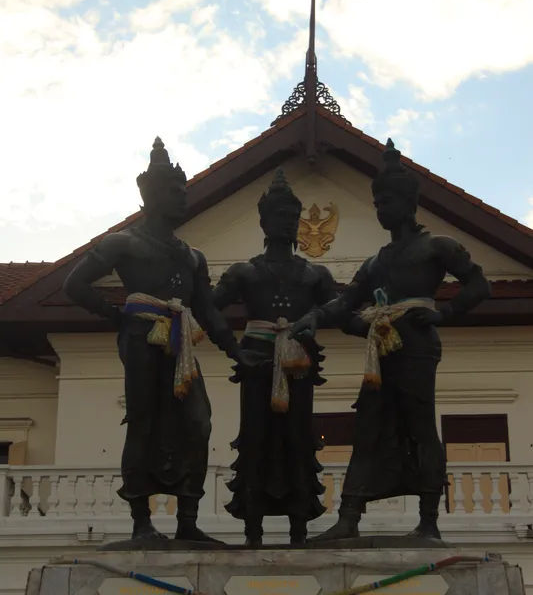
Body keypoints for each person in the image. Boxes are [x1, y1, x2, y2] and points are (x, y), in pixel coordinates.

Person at [64, 137, 263, 542]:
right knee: (144, 421)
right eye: (174, 192)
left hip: (180, 340)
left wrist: (235, 351)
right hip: (141, 336)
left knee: (198, 422)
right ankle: (142, 521)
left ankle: (187, 520)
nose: (182, 199)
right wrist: (117, 316)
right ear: (151, 195)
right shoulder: (124, 243)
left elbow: (207, 310)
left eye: (184, 191)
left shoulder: (192, 256)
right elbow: (74, 284)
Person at [291, 140, 491, 541]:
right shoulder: (375, 262)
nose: (381, 209)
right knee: (367, 426)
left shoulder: (437, 247)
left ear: (408, 202)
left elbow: (478, 284)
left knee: (420, 427)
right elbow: (346, 302)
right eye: (377, 202)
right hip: (381, 351)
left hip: (417, 344)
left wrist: (444, 313)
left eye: (387, 201)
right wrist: (318, 316)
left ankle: (429, 520)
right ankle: (349, 517)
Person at [213, 169, 337, 546]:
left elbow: (342, 308)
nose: (285, 222)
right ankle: (253, 529)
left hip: (298, 364)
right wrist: (234, 350)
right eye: (278, 215)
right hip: (256, 363)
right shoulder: (244, 272)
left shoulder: (315, 274)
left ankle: (299, 528)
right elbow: (207, 309)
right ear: (263, 221)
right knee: (256, 439)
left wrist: (318, 317)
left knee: (298, 439)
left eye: (291, 216)